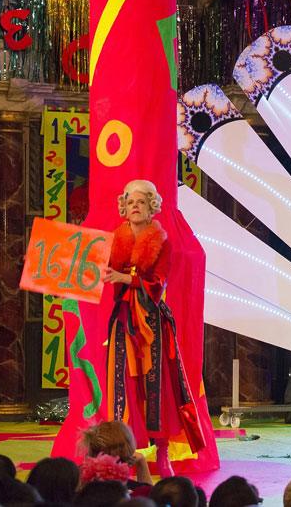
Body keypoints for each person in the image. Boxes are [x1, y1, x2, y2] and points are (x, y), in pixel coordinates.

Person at [103, 180, 206, 477]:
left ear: (151, 208)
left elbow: (158, 284)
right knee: (121, 386)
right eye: (130, 201)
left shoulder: (162, 242)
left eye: (141, 202)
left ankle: (162, 453)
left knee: (157, 386)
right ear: (124, 207)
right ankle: (121, 453)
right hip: (124, 321)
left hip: (152, 324)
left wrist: (125, 278)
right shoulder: (114, 241)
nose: (135, 206)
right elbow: (96, 273)